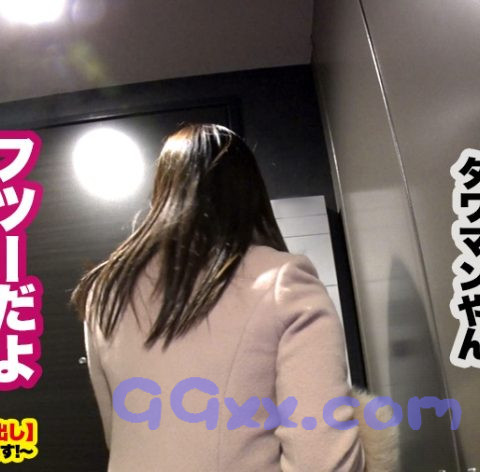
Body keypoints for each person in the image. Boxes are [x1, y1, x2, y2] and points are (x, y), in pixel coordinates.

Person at [70, 123, 366, 471]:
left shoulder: (104, 293)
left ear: (162, 191)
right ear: (250, 192)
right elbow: (322, 460)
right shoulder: (281, 280)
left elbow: (116, 436)